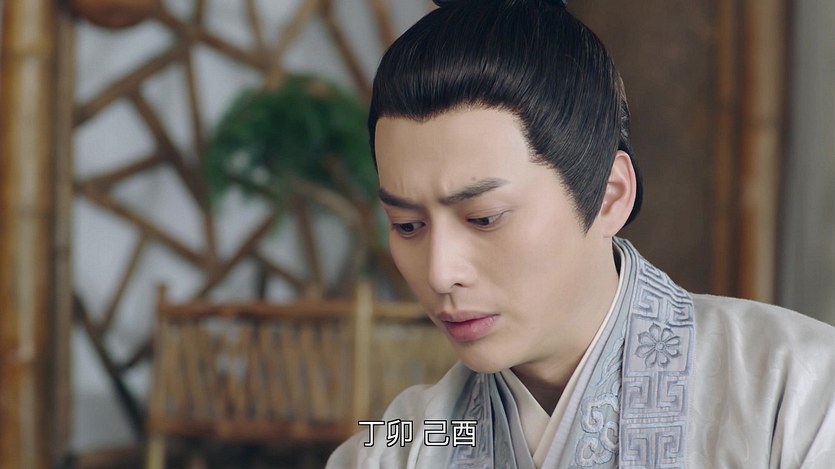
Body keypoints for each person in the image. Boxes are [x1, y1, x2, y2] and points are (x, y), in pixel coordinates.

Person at [327, 0, 835, 467]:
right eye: (407, 225)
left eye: (484, 218)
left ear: (609, 195)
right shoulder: (396, 446)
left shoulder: (798, 392)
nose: (440, 273)